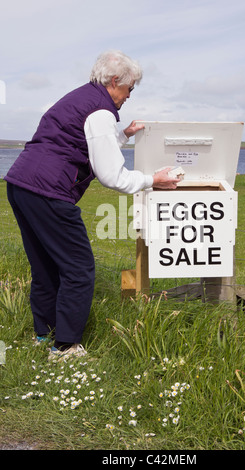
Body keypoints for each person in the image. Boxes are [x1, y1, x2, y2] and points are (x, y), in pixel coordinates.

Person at [5, 50, 180, 360]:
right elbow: (111, 174)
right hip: (49, 191)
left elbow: (83, 141)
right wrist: (154, 180)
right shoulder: (100, 112)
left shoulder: (81, 98)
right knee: (79, 269)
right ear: (115, 81)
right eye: (129, 88)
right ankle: (66, 348)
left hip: (20, 183)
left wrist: (123, 136)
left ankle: (45, 336)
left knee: (45, 266)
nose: (129, 96)